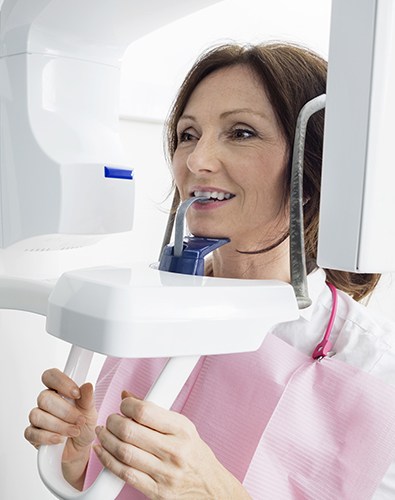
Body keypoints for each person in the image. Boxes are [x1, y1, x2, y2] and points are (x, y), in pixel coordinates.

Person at [25, 42, 395, 499]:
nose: (197, 160)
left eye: (241, 132)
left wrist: (215, 491)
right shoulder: (151, 309)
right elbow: (96, 485)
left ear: (314, 163)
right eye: (187, 135)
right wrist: (78, 455)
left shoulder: (375, 367)